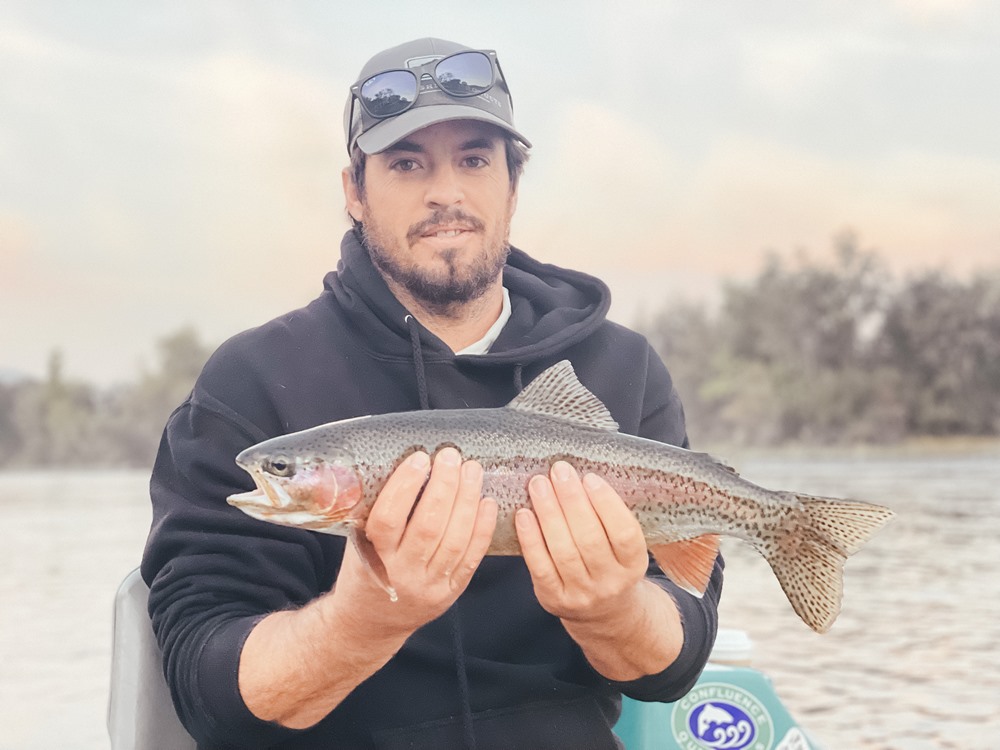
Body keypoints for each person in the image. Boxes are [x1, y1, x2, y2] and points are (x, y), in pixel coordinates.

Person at [141, 36, 723, 749]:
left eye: (474, 159)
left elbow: (676, 655)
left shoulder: (620, 366)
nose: (445, 191)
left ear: (513, 183)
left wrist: (616, 610)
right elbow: (205, 687)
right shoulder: (251, 383)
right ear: (355, 191)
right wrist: (363, 619)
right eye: (407, 163)